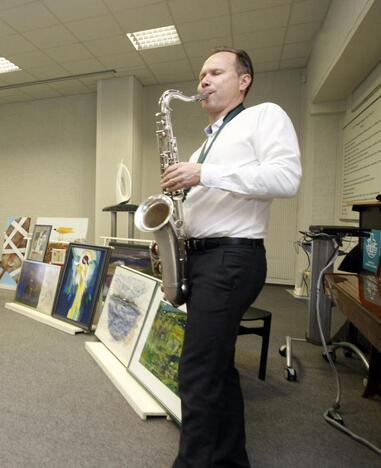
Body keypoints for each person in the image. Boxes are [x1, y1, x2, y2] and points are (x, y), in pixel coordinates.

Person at [161, 47, 302, 467]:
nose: (203, 80)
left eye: (215, 72)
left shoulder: (264, 117)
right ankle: (230, 459)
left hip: (231, 258)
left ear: (244, 80)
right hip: (204, 258)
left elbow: (286, 178)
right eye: (202, 74)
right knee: (218, 370)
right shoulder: (207, 142)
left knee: (197, 372)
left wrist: (203, 174)